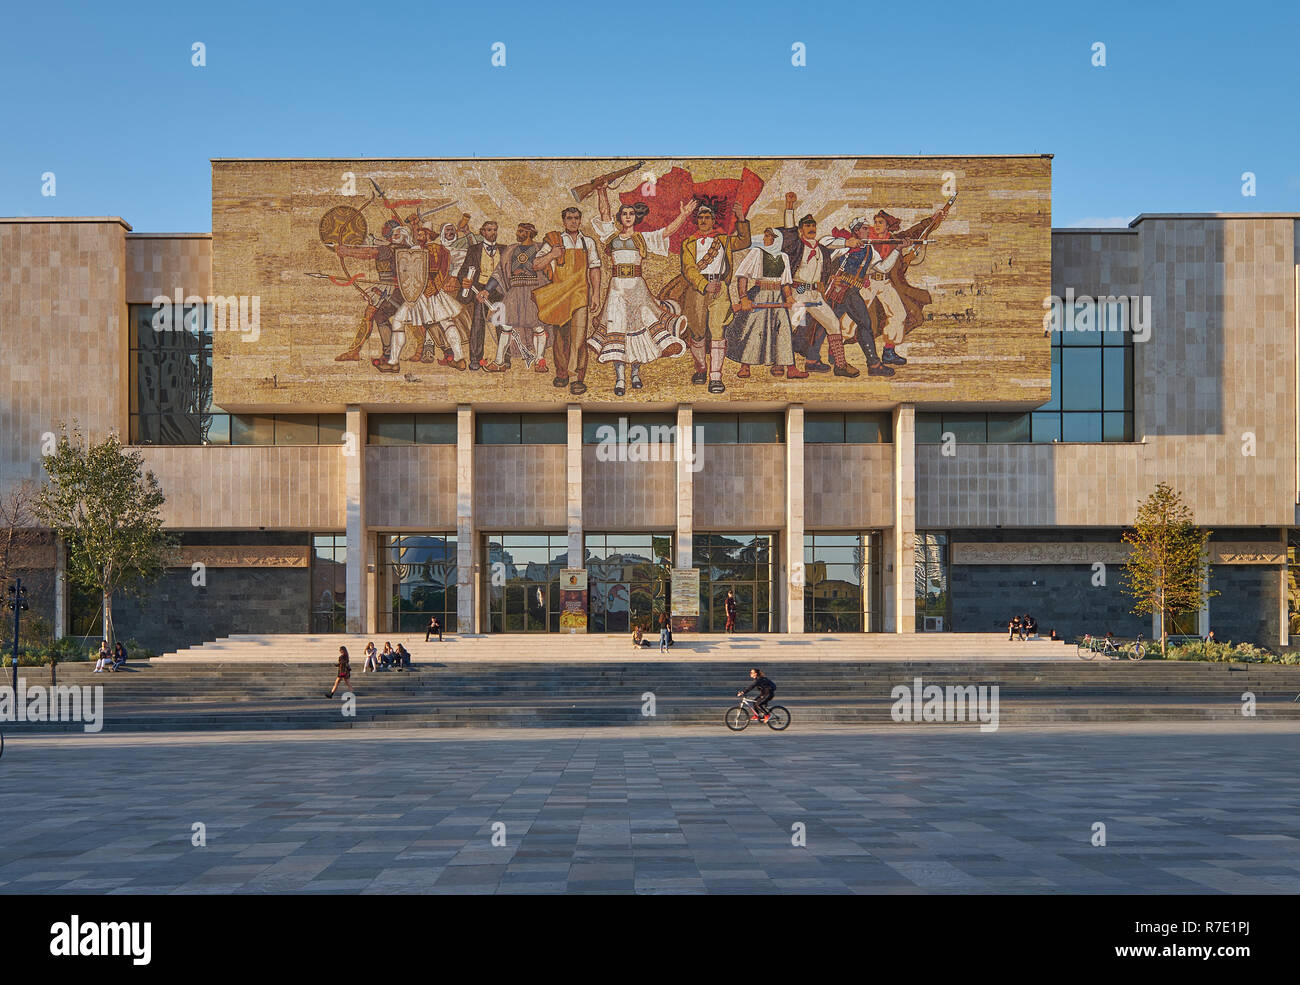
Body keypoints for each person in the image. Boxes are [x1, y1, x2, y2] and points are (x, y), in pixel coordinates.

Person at [590, 185, 692, 396]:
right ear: (620, 217)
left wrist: (683, 216)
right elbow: (604, 212)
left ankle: (635, 373)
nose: (628, 217)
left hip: (637, 288)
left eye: (631, 214)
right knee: (618, 330)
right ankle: (620, 378)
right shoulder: (611, 236)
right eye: (624, 214)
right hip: (617, 289)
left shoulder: (642, 239)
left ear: (636, 218)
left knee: (641, 330)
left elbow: (667, 232)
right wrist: (601, 191)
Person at [680, 200, 751, 393]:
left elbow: (744, 241)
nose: (703, 221)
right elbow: (689, 269)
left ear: (713, 220)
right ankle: (701, 369)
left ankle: (716, 377)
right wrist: (704, 285)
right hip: (698, 290)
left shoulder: (724, 239)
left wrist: (741, 217)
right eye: (700, 217)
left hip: (720, 288)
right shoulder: (688, 243)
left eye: (707, 218)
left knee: (718, 331)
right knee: (697, 332)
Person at [531, 206, 603, 395]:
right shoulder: (555, 241)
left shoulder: (588, 243)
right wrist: (552, 255)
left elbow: (594, 269)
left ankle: (578, 378)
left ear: (580, 220)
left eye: (576, 218)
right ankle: (562, 373)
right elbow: (536, 264)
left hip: (580, 295)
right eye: (569, 218)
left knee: (579, 338)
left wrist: (595, 293)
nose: (573, 221)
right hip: (559, 295)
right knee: (561, 337)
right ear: (563, 221)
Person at [726, 227, 808, 380]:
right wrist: (743, 298)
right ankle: (745, 365)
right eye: (765, 236)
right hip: (759, 295)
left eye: (768, 237)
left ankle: (790, 368)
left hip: (778, 297)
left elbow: (785, 282)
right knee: (753, 328)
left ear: (776, 239)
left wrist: (789, 297)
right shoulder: (756, 253)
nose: (765, 239)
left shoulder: (783, 257)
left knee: (783, 329)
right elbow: (742, 276)